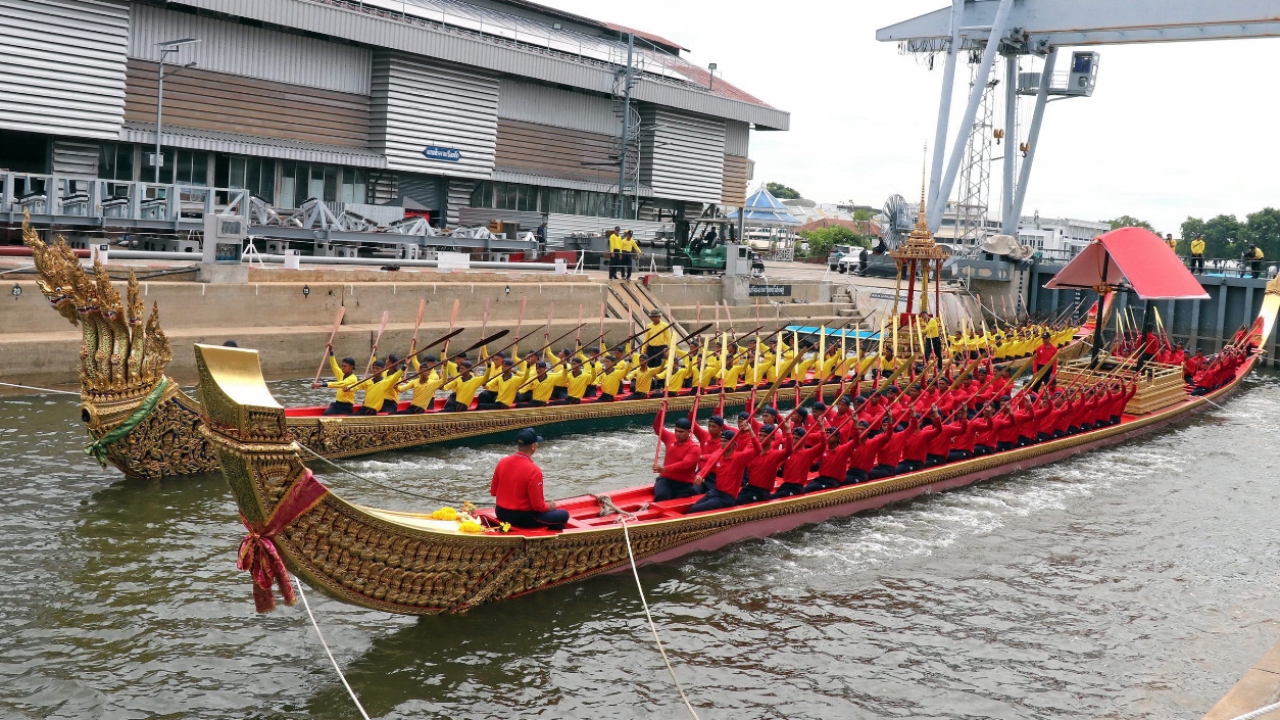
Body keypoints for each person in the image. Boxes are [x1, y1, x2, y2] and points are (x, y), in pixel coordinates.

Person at [490, 428, 569, 530]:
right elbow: (538, 507)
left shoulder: (502, 462)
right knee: (564, 515)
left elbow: (493, 492)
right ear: (533, 446)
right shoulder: (534, 471)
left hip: (500, 513)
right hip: (522, 518)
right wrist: (550, 507)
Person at [686, 427, 758, 514]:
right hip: (715, 491)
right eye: (721, 441)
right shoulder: (718, 454)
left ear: (733, 443)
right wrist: (699, 476)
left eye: (725, 441)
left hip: (727, 497)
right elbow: (706, 467)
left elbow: (758, 450)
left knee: (695, 510)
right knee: (692, 508)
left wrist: (750, 430)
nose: (722, 444)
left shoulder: (740, 458)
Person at [652, 416, 703, 501]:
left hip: (684, 484)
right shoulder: (670, 437)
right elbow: (657, 427)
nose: (678, 434)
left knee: (679, 501)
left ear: (689, 432)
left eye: (681, 432)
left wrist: (664, 468)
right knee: (661, 496)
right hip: (666, 480)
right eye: (676, 431)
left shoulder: (694, 448)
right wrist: (661, 412)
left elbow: (685, 464)